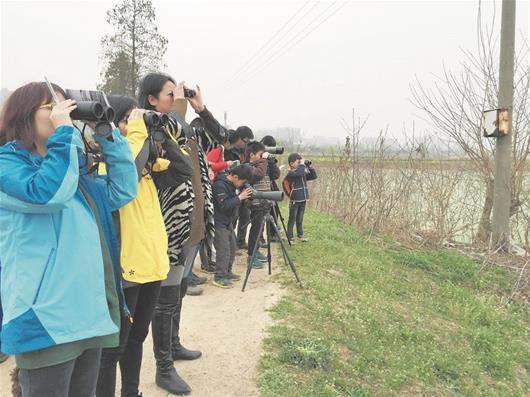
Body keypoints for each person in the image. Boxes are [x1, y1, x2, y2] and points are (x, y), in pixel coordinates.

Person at [0, 82, 137, 397]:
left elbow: (123, 190)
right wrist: (64, 136)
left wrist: (107, 133)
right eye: (50, 107)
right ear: (23, 115)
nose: (61, 114)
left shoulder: (71, 171)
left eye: (66, 107)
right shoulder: (7, 166)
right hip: (45, 321)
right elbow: (47, 194)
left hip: (86, 314)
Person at [96, 95, 193, 397]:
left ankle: (131, 391)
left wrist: (160, 134)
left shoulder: (148, 170)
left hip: (152, 267)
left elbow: (183, 171)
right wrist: (138, 134)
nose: (135, 125)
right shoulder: (104, 167)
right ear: (110, 125)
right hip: (126, 271)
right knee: (113, 348)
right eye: (128, 119)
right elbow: (128, 176)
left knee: (138, 337)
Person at [138, 72, 225, 395]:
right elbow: (168, 127)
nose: (178, 97)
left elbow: (220, 140)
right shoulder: (154, 129)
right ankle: (164, 368)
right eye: (170, 93)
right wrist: (179, 106)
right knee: (166, 298)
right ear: (152, 99)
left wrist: (200, 107)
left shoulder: (189, 133)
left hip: (195, 227)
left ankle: (173, 345)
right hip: (171, 228)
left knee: (180, 292)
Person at [212, 164, 253, 288]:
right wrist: (240, 197)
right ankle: (219, 277)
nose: (242, 184)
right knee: (223, 250)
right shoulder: (220, 185)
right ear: (235, 177)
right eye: (242, 182)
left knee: (232, 248)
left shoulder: (233, 184)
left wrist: (243, 198)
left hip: (228, 222)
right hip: (218, 222)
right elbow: (223, 205)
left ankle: (227, 272)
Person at [244, 141, 280, 267]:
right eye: (261, 154)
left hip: (265, 202)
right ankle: (251, 257)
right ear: (252, 155)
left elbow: (276, 175)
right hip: (256, 203)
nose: (263, 157)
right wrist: (264, 161)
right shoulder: (248, 167)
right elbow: (258, 175)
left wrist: (272, 163)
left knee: (260, 230)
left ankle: (256, 251)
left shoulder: (263, 165)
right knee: (255, 230)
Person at [285, 153, 317, 243]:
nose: (300, 163)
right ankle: (290, 237)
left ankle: (300, 235)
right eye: (298, 162)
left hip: (303, 199)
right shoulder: (291, 173)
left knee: (300, 218)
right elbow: (298, 174)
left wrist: (309, 166)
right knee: (292, 219)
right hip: (295, 200)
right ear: (291, 164)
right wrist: (302, 165)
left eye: (300, 162)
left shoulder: (301, 172)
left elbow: (314, 176)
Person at [233, 126, 254, 249]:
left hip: (244, 188)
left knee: (245, 216)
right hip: (234, 189)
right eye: (245, 141)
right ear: (238, 138)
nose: (246, 144)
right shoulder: (229, 151)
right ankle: (232, 244)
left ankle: (241, 241)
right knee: (233, 218)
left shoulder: (246, 152)